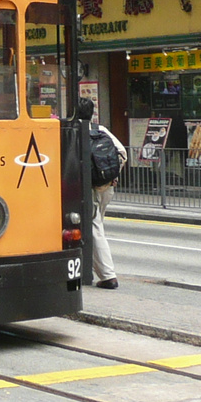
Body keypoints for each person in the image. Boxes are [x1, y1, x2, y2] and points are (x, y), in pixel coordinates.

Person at [80, 97, 126, 290]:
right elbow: (122, 152)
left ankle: (108, 276)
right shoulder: (100, 130)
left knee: (94, 229)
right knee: (95, 227)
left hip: (87, 189)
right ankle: (87, 267)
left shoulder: (74, 132)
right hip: (106, 187)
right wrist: (112, 177)